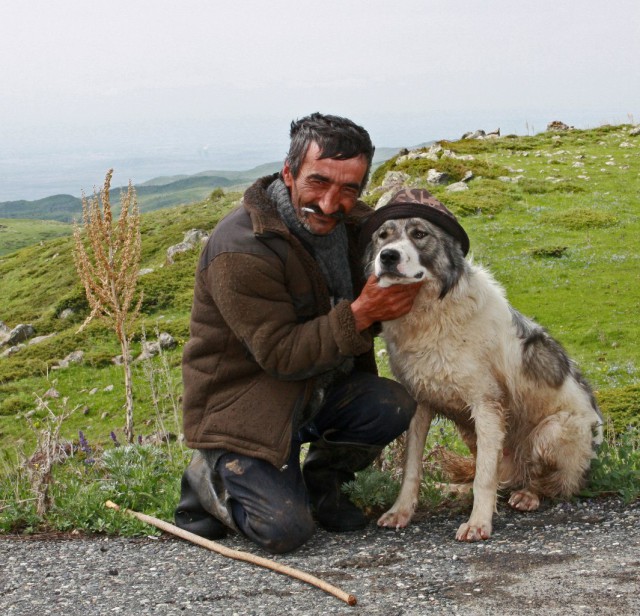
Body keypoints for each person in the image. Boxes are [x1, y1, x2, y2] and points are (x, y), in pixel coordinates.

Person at [175, 112, 422, 554]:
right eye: (318, 182)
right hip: (246, 410)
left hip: (317, 391)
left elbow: (412, 248)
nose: (330, 203)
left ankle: (322, 485)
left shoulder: (353, 228)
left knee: (392, 403)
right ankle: (208, 482)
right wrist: (361, 313)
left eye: (349, 189)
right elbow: (281, 354)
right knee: (284, 530)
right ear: (288, 173)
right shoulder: (241, 247)